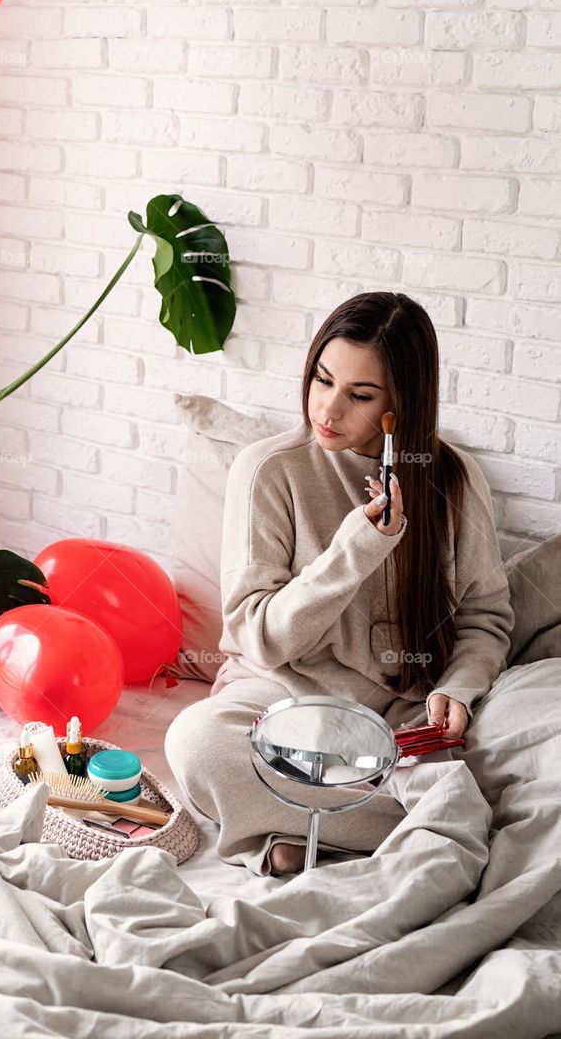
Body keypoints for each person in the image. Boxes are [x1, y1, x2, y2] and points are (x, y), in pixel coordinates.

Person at [164, 291, 514, 877]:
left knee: (503, 762)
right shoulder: (267, 470)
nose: (327, 409)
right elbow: (260, 637)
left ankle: (312, 839)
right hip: (276, 694)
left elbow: (484, 617)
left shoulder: (451, 479)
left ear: (401, 403)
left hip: (397, 713)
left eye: (359, 395)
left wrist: (458, 685)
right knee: (195, 742)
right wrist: (356, 550)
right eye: (322, 380)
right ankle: (421, 829)